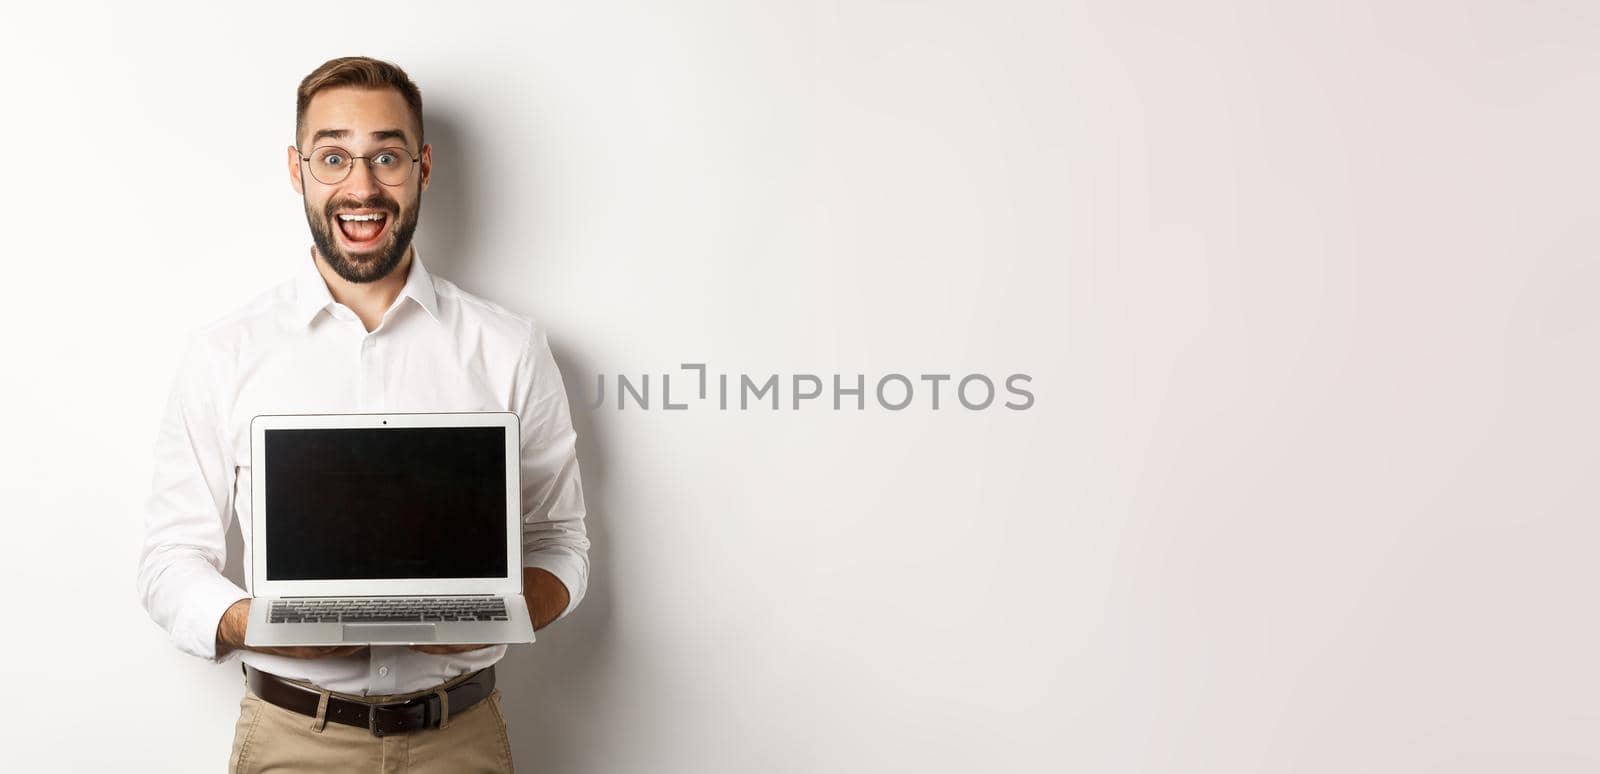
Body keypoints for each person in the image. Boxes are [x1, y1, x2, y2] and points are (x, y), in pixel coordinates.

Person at [135, 56, 590, 773]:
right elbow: (168, 560)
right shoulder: (225, 352)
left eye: (386, 155)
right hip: (291, 739)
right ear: (297, 169)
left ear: (423, 166)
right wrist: (259, 625)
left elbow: (560, 542)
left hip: (461, 738)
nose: (362, 186)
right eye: (334, 156)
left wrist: (500, 608)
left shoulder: (509, 348)